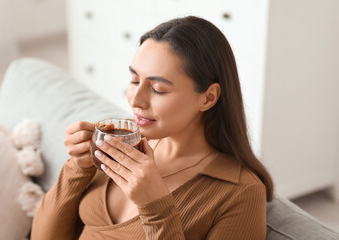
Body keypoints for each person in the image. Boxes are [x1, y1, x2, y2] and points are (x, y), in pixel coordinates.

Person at [31, 16, 273, 240]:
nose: (135, 100)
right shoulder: (121, 142)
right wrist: (77, 168)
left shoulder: (240, 193)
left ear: (208, 98)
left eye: (158, 89)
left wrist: (156, 207)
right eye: (134, 80)